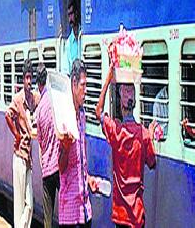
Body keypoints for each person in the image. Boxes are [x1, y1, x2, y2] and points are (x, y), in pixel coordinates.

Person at [95, 65, 157, 228]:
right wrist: (151, 135)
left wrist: (108, 80)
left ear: (121, 106)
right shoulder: (143, 134)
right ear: (135, 103)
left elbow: (98, 111)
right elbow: (152, 163)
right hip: (137, 214)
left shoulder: (115, 131)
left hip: (120, 214)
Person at [59, 59, 98, 228]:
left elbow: (81, 162)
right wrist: (66, 149)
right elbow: (60, 167)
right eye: (83, 85)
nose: (86, 90)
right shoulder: (63, 119)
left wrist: (88, 179)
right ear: (73, 84)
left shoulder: (82, 116)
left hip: (85, 208)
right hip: (70, 212)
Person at [5, 59, 40, 228]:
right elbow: (7, 115)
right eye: (26, 78)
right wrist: (17, 135)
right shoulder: (18, 99)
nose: (28, 81)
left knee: (30, 205)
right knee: (19, 204)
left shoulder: (33, 98)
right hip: (19, 156)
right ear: (22, 79)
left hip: (28, 158)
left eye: (30, 78)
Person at [35, 63, 60, 228]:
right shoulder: (56, 102)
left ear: (38, 84)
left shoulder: (39, 111)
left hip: (47, 168)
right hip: (60, 165)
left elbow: (41, 141)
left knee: (48, 216)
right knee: (65, 211)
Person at [63, 0, 81, 74]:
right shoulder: (68, 43)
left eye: (71, 14)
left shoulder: (83, 34)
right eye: (68, 15)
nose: (70, 18)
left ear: (76, 13)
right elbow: (66, 69)